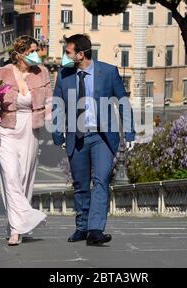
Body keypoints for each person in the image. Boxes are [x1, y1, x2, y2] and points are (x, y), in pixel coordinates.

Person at [52, 34, 135, 246]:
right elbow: (57, 105)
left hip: (102, 137)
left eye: (67, 52)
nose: (64, 56)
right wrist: (57, 131)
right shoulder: (64, 75)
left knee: (100, 181)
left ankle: (96, 230)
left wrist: (130, 132)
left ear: (80, 54)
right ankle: (82, 227)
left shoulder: (108, 72)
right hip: (76, 136)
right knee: (80, 184)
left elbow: (122, 102)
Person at [0, 35, 51, 246]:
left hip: (29, 129)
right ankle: (21, 225)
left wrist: (58, 126)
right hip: (5, 129)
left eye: (37, 50)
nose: (37, 54)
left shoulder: (42, 72)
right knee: (11, 176)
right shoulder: (2, 73)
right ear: (19, 54)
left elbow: (50, 100)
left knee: (25, 177)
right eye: (32, 51)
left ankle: (15, 226)